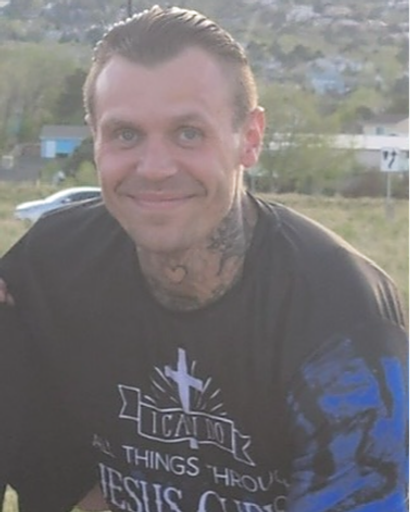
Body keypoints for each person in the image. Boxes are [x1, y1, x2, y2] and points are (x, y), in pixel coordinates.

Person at [0, 5, 408, 511]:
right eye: (126, 134)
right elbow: (41, 446)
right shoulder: (53, 265)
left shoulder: (339, 312)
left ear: (250, 138)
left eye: (188, 133)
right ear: (96, 139)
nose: (154, 168)